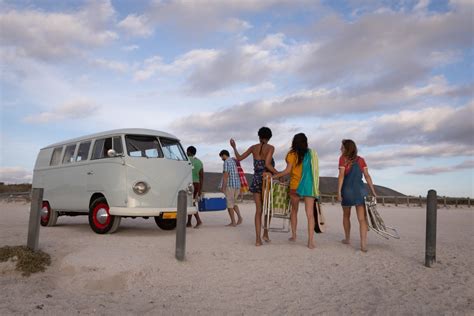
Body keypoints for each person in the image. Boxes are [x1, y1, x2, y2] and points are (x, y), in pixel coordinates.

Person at [230, 127, 277, 246]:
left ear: (259, 136)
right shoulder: (271, 148)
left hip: (256, 180)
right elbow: (267, 164)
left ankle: (258, 240)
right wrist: (279, 173)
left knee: (259, 210)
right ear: (269, 137)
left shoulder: (253, 147)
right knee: (268, 209)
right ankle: (265, 233)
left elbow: (239, 158)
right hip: (266, 180)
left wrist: (234, 147)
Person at [273, 133, 318, 249]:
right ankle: (310, 241)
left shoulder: (291, 154)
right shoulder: (311, 154)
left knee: (294, 211)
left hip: (295, 186)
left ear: (294, 142)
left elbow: (287, 171)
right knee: (310, 214)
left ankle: (294, 235)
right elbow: (315, 171)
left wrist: (274, 176)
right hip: (309, 186)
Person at [337, 139, 377, 252]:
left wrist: (338, 192)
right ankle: (363, 244)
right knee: (362, 219)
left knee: (346, 216)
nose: (341, 149)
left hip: (347, 191)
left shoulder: (343, 159)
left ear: (347, 148)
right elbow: (367, 176)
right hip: (361, 191)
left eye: (342, 147)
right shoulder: (361, 160)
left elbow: (341, 176)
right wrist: (372, 190)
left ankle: (347, 238)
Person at [219, 150, 243, 227]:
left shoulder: (226, 162)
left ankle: (233, 222)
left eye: (221, 157)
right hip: (237, 185)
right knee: (234, 203)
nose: (221, 158)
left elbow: (226, 175)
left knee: (229, 204)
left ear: (223, 155)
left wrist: (223, 187)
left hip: (230, 185)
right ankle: (239, 217)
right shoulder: (233, 161)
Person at [186, 146, 203, 228]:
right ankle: (189, 222)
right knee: (191, 201)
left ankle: (198, 220)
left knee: (191, 203)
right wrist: (200, 189)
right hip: (197, 184)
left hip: (188, 184)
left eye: (187, 151)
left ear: (188, 151)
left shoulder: (185, 160)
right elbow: (202, 176)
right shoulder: (199, 162)